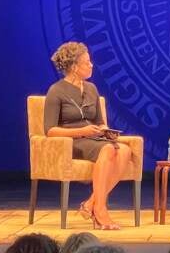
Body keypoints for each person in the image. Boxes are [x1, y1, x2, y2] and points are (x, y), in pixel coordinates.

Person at [44, 41, 133, 229]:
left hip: (94, 138)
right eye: (87, 62)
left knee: (124, 151)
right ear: (74, 67)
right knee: (109, 149)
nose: (91, 65)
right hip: (71, 141)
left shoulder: (92, 88)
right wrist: (82, 131)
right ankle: (100, 210)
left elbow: (100, 121)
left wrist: (105, 130)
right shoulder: (56, 91)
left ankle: (90, 203)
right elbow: (50, 130)